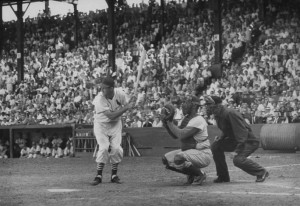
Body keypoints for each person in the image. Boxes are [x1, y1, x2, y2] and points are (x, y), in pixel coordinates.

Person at [203, 95, 269, 183]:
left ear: (217, 105)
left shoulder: (229, 113)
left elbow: (242, 133)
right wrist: (221, 138)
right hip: (236, 140)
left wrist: (237, 151)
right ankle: (223, 176)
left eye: (209, 105)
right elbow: (227, 129)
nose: (207, 107)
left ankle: (261, 172)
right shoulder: (218, 114)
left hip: (248, 141)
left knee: (238, 160)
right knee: (216, 146)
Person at [91, 77, 136, 185]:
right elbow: (111, 116)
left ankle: (114, 175)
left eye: (104, 88)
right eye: (101, 88)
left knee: (116, 148)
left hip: (115, 124)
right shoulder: (99, 99)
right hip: (101, 125)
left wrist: (133, 102)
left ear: (111, 88)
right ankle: (98, 175)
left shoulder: (119, 94)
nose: (102, 90)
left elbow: (128, 105)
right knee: (104, 147)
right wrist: (126, 108)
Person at [161, 95, 212, 185]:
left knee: (178, 157)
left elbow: (181, 135)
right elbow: (175, 136)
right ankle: (192, 173)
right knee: (166, 159)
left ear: (194, 106)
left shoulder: (198, 119)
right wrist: (166, 124)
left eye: (187, 103)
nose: (184, 105)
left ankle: (200, 174)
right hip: (191, 151)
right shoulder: (186, 118)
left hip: (202, 153)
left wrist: (169, 122)